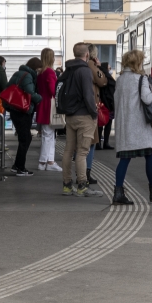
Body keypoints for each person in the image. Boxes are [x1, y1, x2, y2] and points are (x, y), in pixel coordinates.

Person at [110, 50, 152, 205]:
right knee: (149, 154)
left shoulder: (120, 79)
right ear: (137, 63)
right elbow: (147, 98)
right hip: (138, 125)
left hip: (124, 125)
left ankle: (118, 192)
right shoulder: (141, 79)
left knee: (124, 158)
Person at [58, 43, 102, 197]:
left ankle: (67, 185)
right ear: (87, 55)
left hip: (70, 116)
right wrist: (94, 113)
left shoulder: (68, 69)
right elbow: (88, 94)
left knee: (68, 151)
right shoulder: (84, 71)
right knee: (82, 153)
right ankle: (82, 185)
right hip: (84, 116)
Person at [4, 57, 42, 176]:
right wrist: (40, 98)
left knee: (25, 138)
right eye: (39, 69)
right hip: (21, 110)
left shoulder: (19, 73)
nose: (40, 71)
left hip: (15, 109)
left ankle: (17, 165)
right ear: (36, 67)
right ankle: (20, 167)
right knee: (25, 139)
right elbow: (29, 91)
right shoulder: (28, 76)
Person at [84, 44, 108, 185]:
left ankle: (82, 173)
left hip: (80, 109)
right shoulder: (92, 66)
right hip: (91, 108)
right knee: (91, 143)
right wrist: (99, 67)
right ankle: (86, 172)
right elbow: (102, 81)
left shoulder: (79, 66)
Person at [34, 48, 61, 171]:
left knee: (48, 134)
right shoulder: (50, 72)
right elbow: (52, 90)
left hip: (43, 104)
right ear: (51, 58)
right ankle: (44, 161)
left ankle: (49, 161)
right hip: (50, 105)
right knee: (48, 134)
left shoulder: (40, 73)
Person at [98, 62, 116, 150]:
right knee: (107, 123)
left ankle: (99, 143)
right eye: (109, 68)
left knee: (101, 123)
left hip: (103, 103)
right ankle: (106, 142)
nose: (110, 69)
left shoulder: (101, 76)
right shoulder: (108, 78)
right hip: (108, 103)